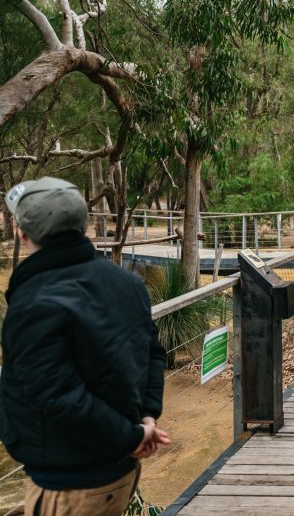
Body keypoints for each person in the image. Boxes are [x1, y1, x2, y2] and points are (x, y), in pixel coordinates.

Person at [0, 177, 170, 516]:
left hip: (70, 488)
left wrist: (132, 435)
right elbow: (152, 353)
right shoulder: (125, 282)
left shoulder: (35, 302)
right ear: (83, 225)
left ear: (21, 232)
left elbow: (56, 397)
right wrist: (145, 418)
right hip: (118, 472)